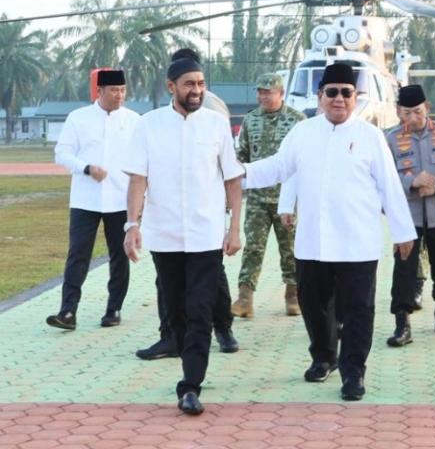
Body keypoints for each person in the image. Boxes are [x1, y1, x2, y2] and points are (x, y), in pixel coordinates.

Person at [242, 62, 416, 402]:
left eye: (346, 93)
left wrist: (402, 231)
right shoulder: (303, 133)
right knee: (313, 305)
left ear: (355, 97)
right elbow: (278, 168)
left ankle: (354, 372)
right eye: (331, 92)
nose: (339, 99)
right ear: (320, 96)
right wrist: (236, 172)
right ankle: (323, 357)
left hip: (358, 244)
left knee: (357, 311)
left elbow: (390, 187)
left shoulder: (370, 136)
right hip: (313, 242)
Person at [123, 51, 244, 415]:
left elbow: (233, 178)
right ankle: (179, 352)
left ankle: (190, 386)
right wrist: (132, 225)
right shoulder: (148, 125)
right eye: (190, 84)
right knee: (176, 310)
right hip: (164, 235)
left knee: (200, 311)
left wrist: (234, 227)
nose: (197, 90)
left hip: (207, 234)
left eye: (202, 84)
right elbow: (137, 178)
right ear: (171, 86)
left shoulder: (216, 124)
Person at [46, 69, 139, 331]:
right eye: (113, 90)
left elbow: (142, 160)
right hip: (85, 199)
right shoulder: (79, 118)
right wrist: (87, 168)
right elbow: (62, 154)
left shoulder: (134, 120)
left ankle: (114, 308)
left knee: (119, 256)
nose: (119, 95)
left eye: (122, 90)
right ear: (99, 91)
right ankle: (67, 311)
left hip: (121, 198)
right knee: (78, 255)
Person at [384, 84, 435, 347]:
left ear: (427, 108)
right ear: (398, 112)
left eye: (417, 112)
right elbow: (386, 177)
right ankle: (402, 323)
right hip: (408, 216)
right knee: (404, 270)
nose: (412, 118)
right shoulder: (390, 139)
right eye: (406, 113)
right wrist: (412, 182)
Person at [231, 72, 305, 318]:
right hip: (257, 199)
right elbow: (241, 155)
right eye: (260, 92)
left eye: (268, 92)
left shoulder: (297, 122)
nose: (263, 96)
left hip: (287, 199)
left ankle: (293, 295)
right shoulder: (250, 120)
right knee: (253, 247)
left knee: (291, 249)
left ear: (281, 94)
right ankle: (244, 298)